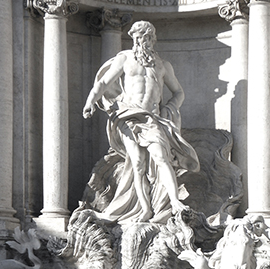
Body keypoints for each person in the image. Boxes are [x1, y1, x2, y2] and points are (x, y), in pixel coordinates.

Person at [83, 20, 200, 223]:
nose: (139, 41)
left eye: (143, 37)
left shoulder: (163, 65)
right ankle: (145, 209)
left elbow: (179, 92)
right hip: (128, 115)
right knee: (137, 163)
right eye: (136, 37)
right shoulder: (125, 58)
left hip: (152, 118)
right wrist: (90, 102)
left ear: (151, 38)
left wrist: (169, 108)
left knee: (161, 157)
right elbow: (103, 82)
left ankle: (174, 202)